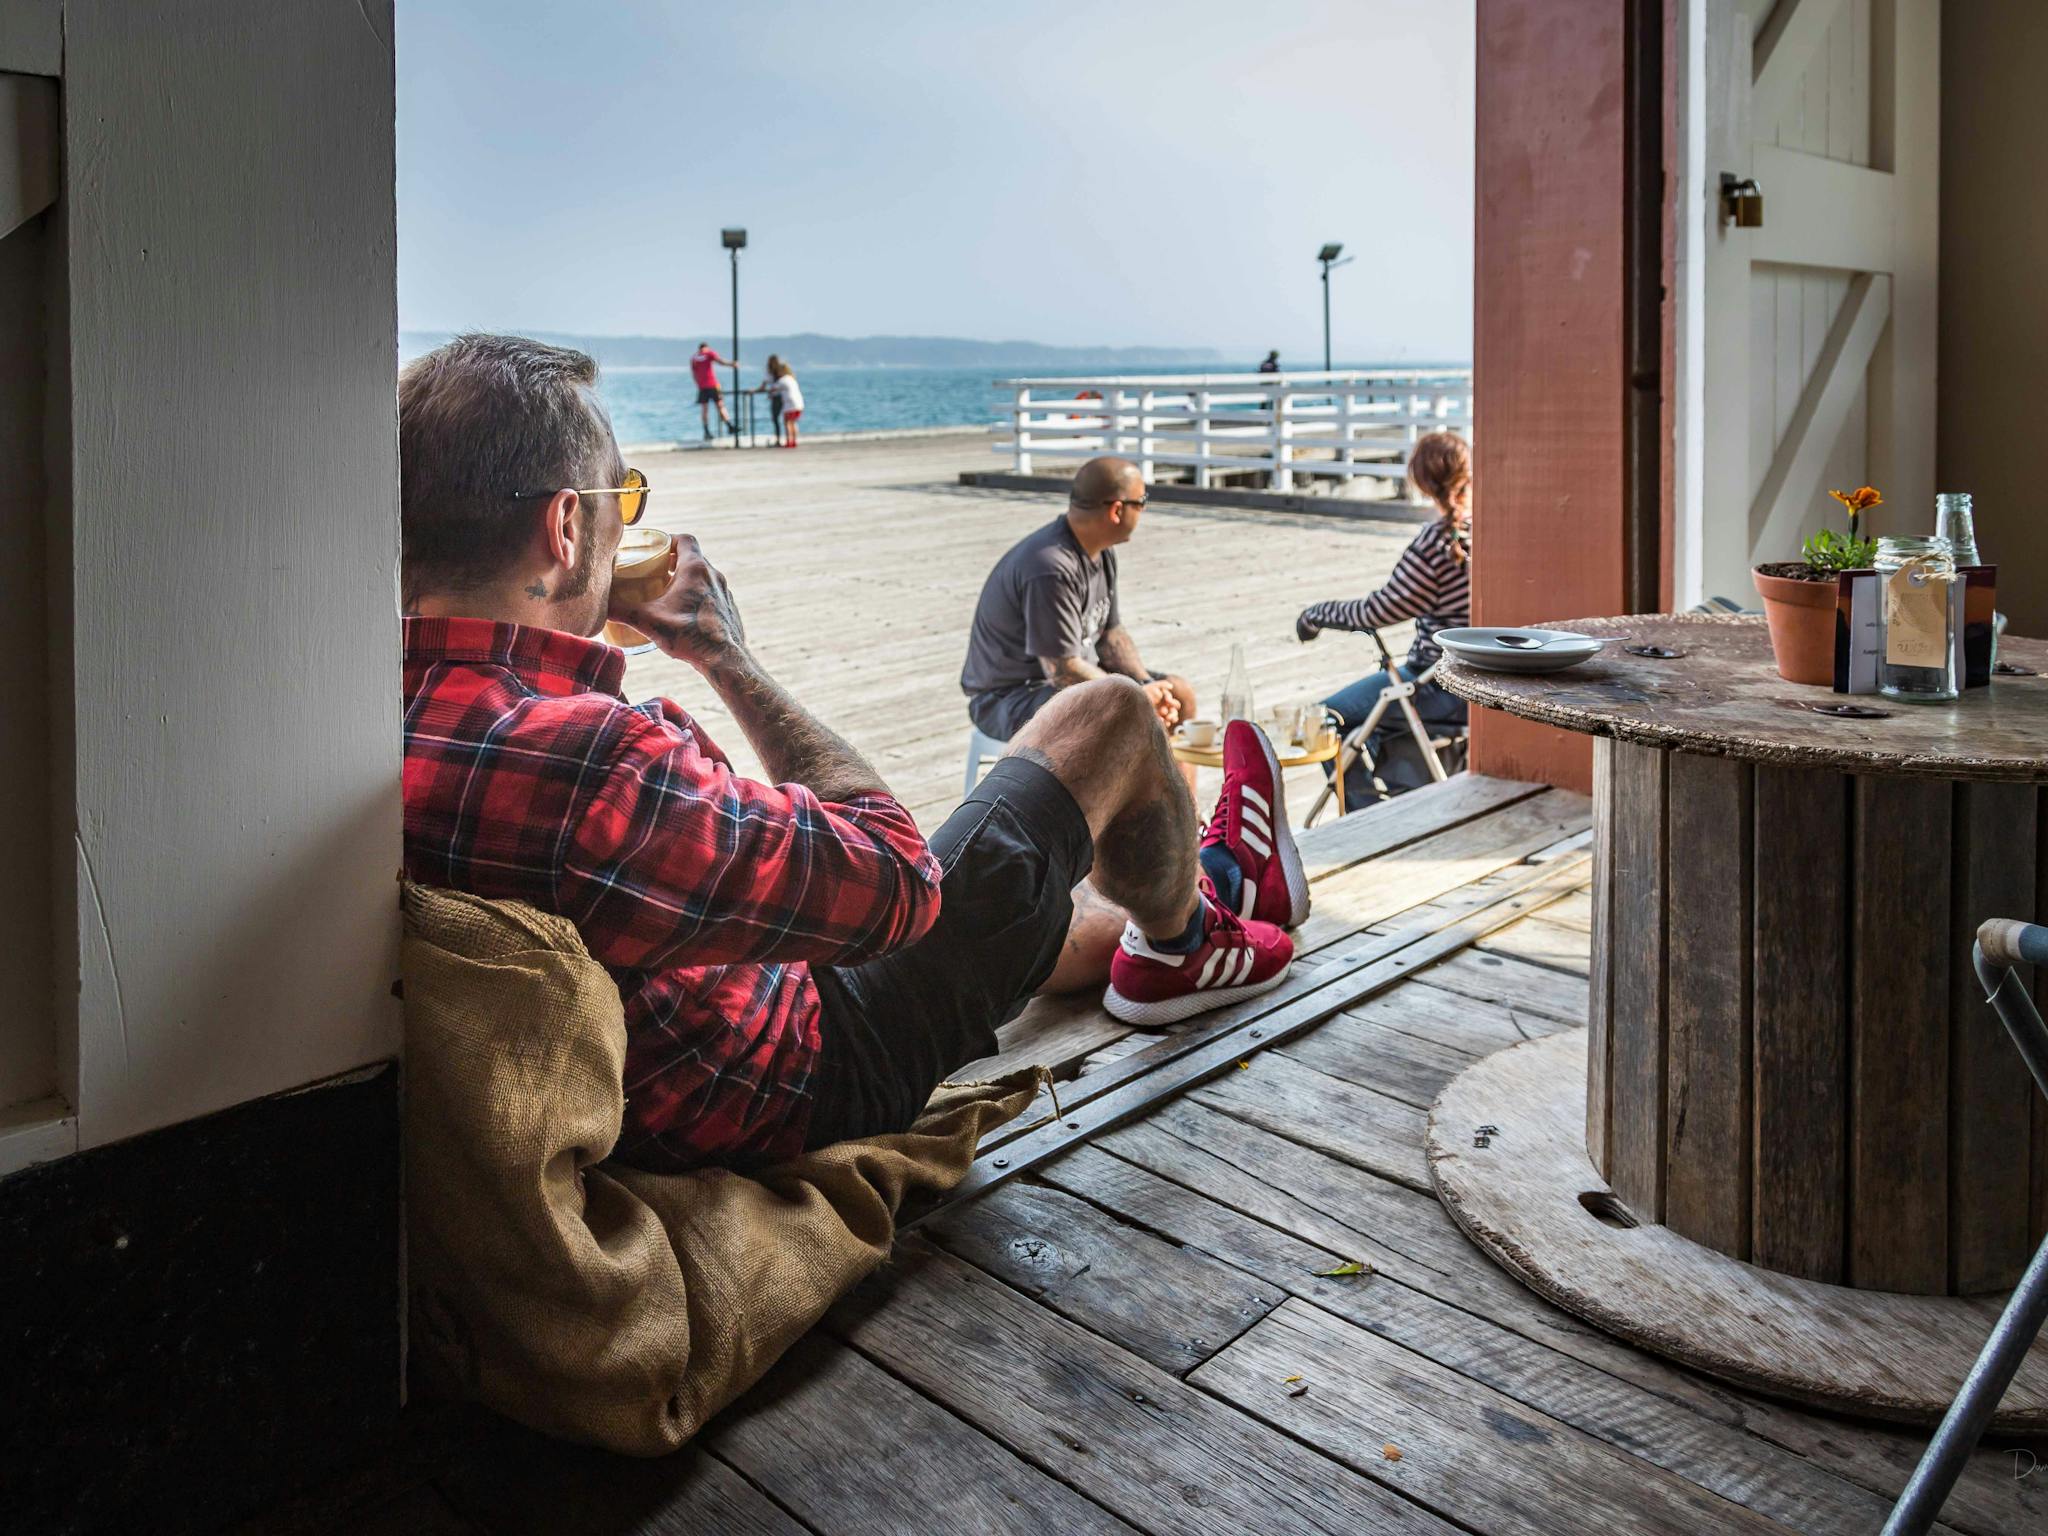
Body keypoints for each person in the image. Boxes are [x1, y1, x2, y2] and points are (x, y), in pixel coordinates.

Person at [397, 335, 1300, 1175]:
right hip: (806, 1069)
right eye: (620, 499)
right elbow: (903, 881)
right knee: (1108, 718)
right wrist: (726, 655)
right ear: (565, 528)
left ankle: (1193, 901)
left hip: (713, 1013)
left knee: (1058, 919)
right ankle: (1188, 939)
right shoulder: (596, 760)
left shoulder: (385, 712)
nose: (625, 525)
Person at [961, 456, 1196, 745]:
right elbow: (1062, 671)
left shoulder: (1101, 551)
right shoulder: (1050, 568)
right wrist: (1134, 697)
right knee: (1126, 715)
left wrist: (1146, 684)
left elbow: (1111, 636)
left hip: (1067, 685)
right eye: (1142, 501)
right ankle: (1131, 791)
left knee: (1178, 694)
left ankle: (1177, 792)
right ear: (1117, 510)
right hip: (1010, 698)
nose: (1144, 509)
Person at [1295, 430, 1472, 807]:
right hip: (1477, 682)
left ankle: (1365, 816)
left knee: (1327, 719)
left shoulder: (1437, 543)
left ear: (1419, 481)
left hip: (1439, 686)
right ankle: (1399, 800)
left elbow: (1379, 610)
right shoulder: (1480, 532)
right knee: (1369, 715)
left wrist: (1316, 616)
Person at [690, 342, 732, 439]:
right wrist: (732, 364)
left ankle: (706, 431)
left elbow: (694, 374)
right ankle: (729, 426)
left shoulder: (694, 358)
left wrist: (698, 384)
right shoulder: (709, 354)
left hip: (702, 387)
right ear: (706, 347)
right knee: (720, 406)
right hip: (712, 385)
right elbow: (720, 361)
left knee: (705, 410)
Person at [768, 358, 804, 449]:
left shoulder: (782, 380)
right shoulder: (792, 378)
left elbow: (773, 389)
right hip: (799, 403)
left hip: (789, 404)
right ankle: (794, 441)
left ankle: (789, 441)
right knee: (793, 423)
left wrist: (770, 394)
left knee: (787, 422)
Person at [759, 352, 784, 442]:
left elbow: (763, 385)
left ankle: (778, 439)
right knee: (785, 419)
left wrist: (755, 390)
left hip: (776, 397)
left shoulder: (769, 372)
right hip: (783, 396)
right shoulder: (781, 371)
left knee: (775, 418)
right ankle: (785, 439)